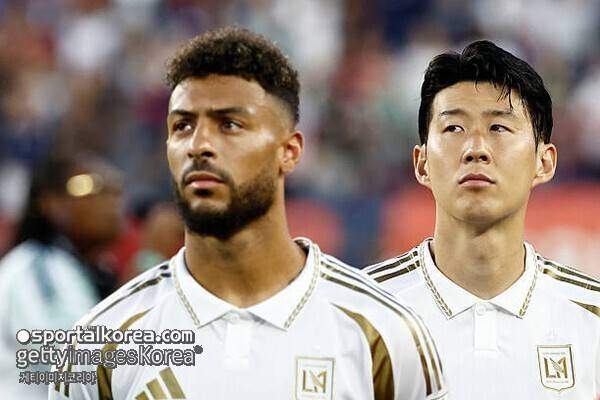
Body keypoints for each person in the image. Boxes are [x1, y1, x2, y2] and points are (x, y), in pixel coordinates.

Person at [50, 27, 447, 400]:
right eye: (182, 126)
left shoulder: (384, 333)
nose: (199, 145)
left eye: (229, 124)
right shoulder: (99, 343)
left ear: (289, 151)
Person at [364, 40, 600, 399]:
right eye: (454, 128)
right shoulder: (359, 314)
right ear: (422, 163)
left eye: (498, 128)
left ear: (544, 162)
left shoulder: (591, 318)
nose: (476, 149)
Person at [0, 151, 123, 400]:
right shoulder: (37, 267)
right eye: (89, 186)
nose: (110, 200)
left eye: (115, 188)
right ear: (50, 202)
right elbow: (62, 357)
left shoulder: (97, 271)